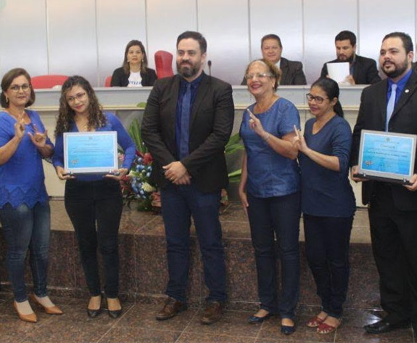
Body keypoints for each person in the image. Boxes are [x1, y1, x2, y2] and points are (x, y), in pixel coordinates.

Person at [350, 32, 417, 343]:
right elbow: (360, 135)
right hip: (380, 194)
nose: (386, 57)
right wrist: (357, 164)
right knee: (388, 258)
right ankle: (396, 313)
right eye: (382, 52)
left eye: (393, 51)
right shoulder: (372, 93)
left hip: (416, 194)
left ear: (410, 56)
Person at [141, 31, 234, 325]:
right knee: (175, 242)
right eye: (181, 52)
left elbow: (220, 136)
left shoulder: (220, 89)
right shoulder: (161, 87)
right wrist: (172, 166)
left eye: (191, 53)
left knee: (210, 242)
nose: (185, 58)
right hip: (171, 181)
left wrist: (187, 166)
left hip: (203, 181)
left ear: (203, 57)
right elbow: (149, 131)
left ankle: (216, 298)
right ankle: (176, 296)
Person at [52, 76, 136, 318]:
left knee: (108, 244)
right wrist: (58, 168)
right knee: (86, 243)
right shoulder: (65, 125)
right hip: (77, 193)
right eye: (70, 98)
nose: (77, 101)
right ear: (65, 102)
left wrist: (126, 167)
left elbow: (129, 146)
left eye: (80, 95)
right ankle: (94, 293)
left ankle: (112, 294)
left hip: (107, 190)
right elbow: (58, 157)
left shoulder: (108, 119)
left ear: (89, 93)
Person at [0, 68, 61, 323]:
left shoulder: (35, 116)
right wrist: (17, 139)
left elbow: (49, 152)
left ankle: (41, 293)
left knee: (41, 249)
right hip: (12, 197)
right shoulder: (0, 121)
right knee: (19, 251)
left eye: (25, 86)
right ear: (6, 92)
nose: (21, 91)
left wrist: (43, 145)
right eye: (15, 87)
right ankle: (20, 297)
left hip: (38, 194)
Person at [238, 60, 300, 335]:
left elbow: (292, 151)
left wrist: (264, 133)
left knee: (287, 251)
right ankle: (267, 303)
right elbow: (248, 151)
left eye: (260, 75)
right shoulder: (248, 111)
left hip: (284, 191)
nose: (254, 79)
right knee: (261, 249)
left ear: (273, 80)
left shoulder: (285, 108)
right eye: (250, 75)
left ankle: (287, 310)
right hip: (256, 192)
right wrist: (242, 185)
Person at [293, 78, 354, 335]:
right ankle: (326, 304)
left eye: (319, 98)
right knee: (315, 257)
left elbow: (340, 164)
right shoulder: (308, 124)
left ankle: (336, 310)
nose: (313, 102)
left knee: (336, 260)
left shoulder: (340, 127)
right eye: (310, 97)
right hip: (312, 204)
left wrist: (306, 150)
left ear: (333, 102)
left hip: (336, 206)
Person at [241, 34, 307, 86]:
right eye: (266, 48)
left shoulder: (295, 67)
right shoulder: (253, 67)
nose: (270, 51)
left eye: (274, 48)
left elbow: (301, 92)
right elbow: (243, 92)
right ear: (262, 50)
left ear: (281, 49)